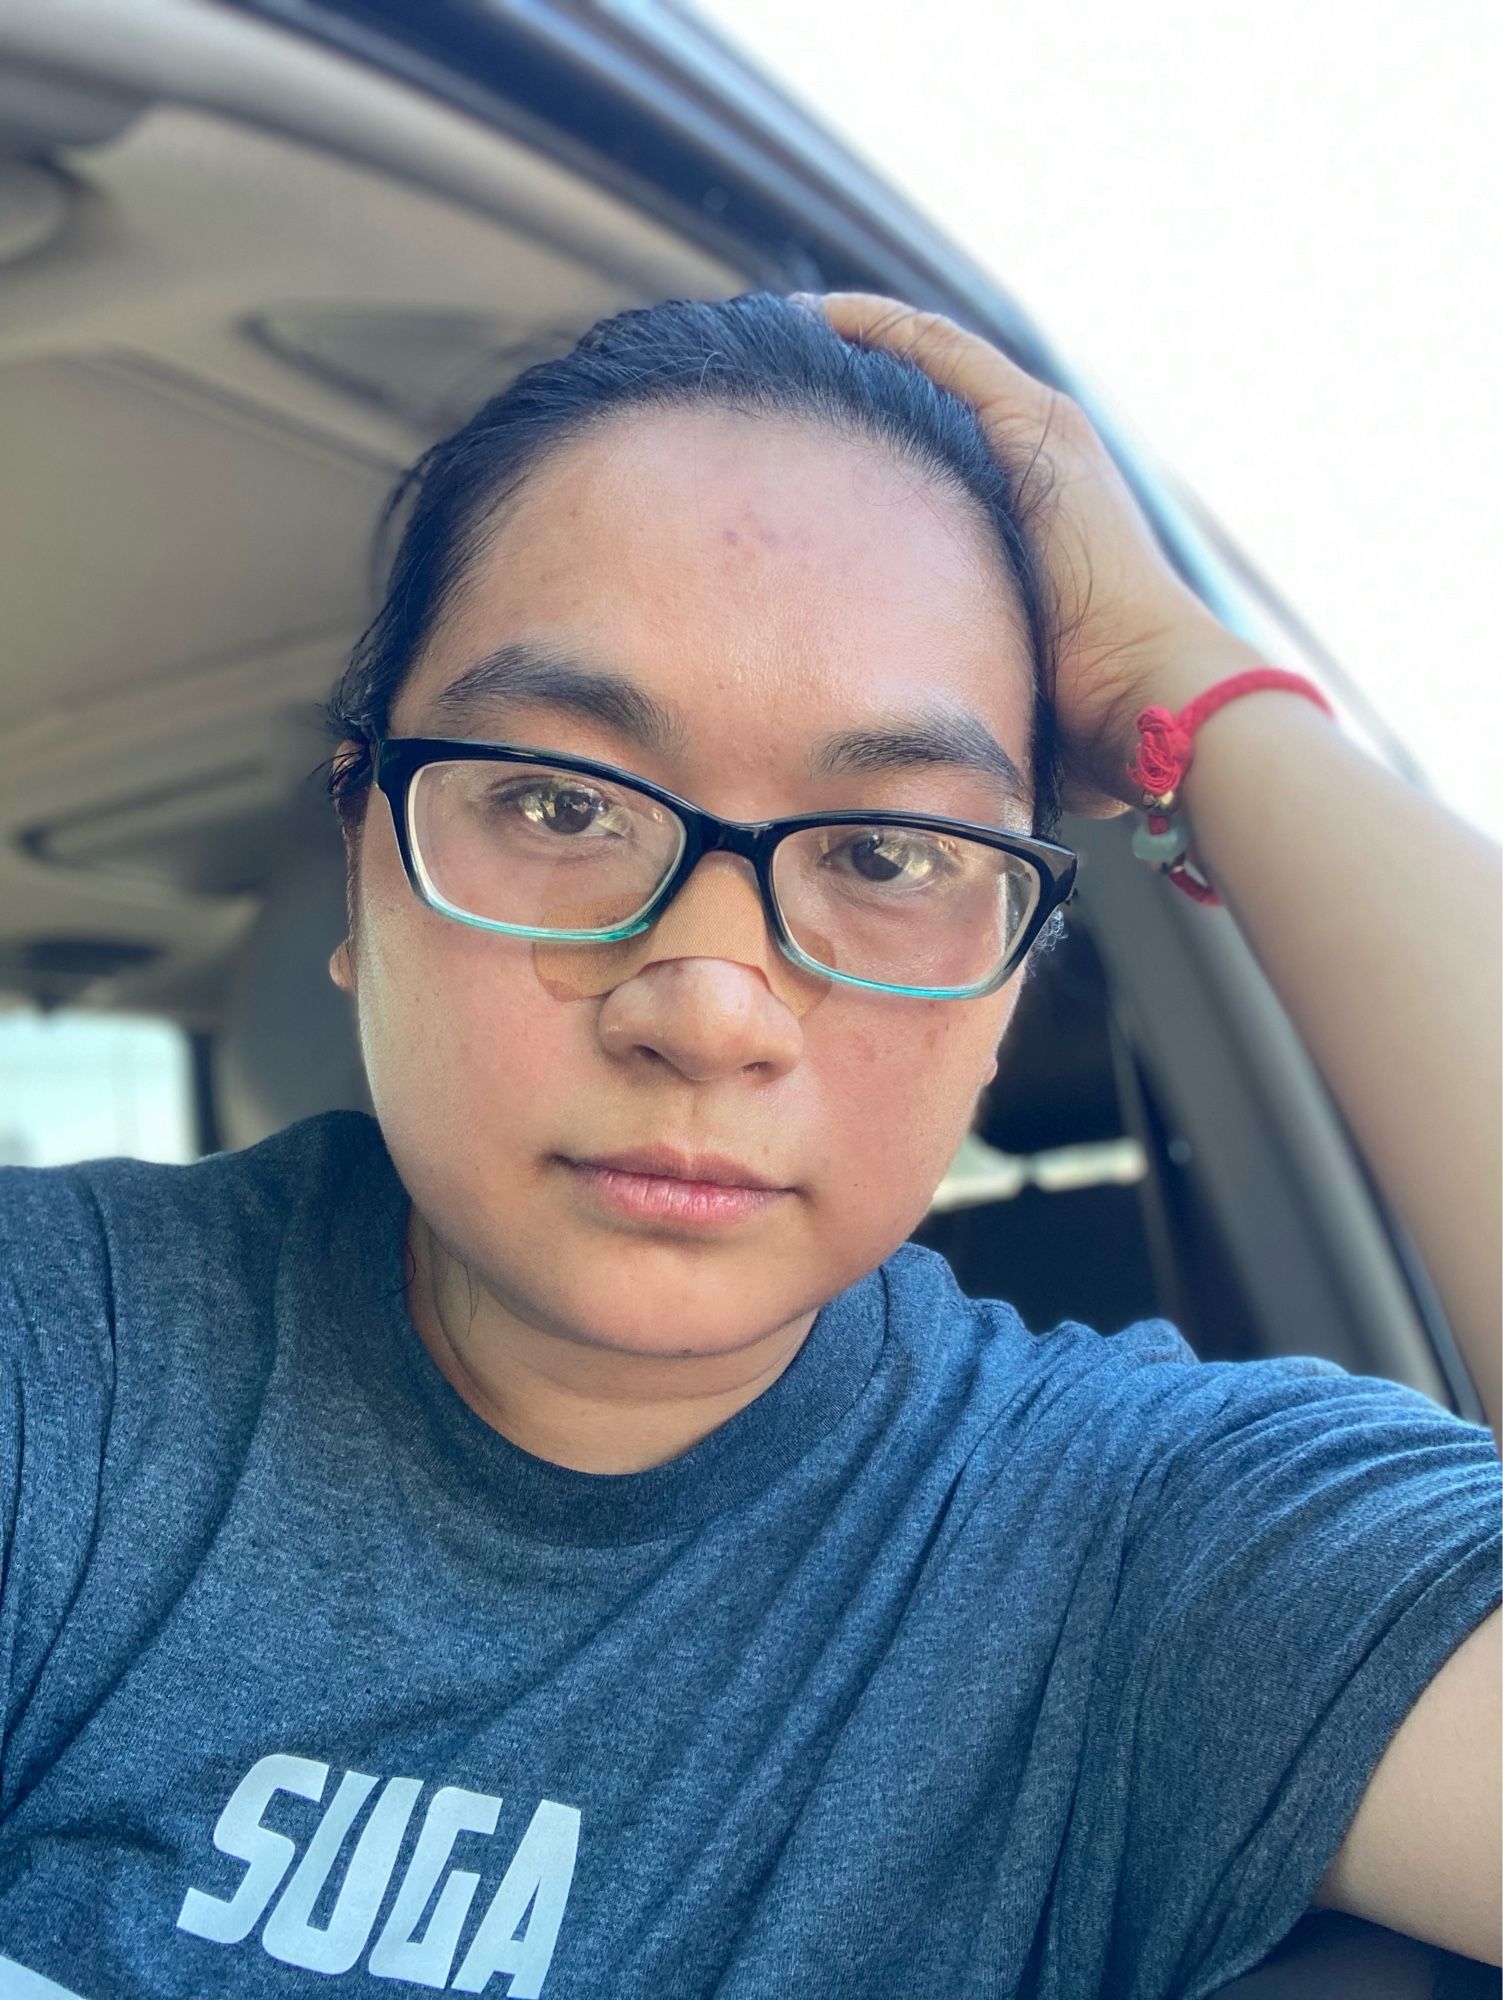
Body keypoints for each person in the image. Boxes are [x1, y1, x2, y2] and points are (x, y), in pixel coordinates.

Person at [0, 291, 1497, 2000]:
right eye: (560, 803)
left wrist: (1198, 700)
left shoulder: (1144, 1547)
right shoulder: (69, 1351)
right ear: (366, 869)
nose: (708, 1011)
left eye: (890, 851)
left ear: (1007, 988)